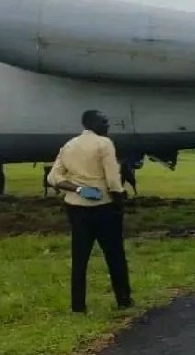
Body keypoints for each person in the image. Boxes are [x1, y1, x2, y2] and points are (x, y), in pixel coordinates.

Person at [47, 110, 133, 313]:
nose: (108, 125)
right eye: (104, 121)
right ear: (92, 123)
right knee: (114, 255)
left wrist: (78, 189)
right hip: (104, 207)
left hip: (75, 207)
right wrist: (119, 199)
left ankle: (78, 305)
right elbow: (112, 179)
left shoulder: (69, 145)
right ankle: (123, 299)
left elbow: (53, 177)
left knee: (80, 258)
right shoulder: (104, 144)